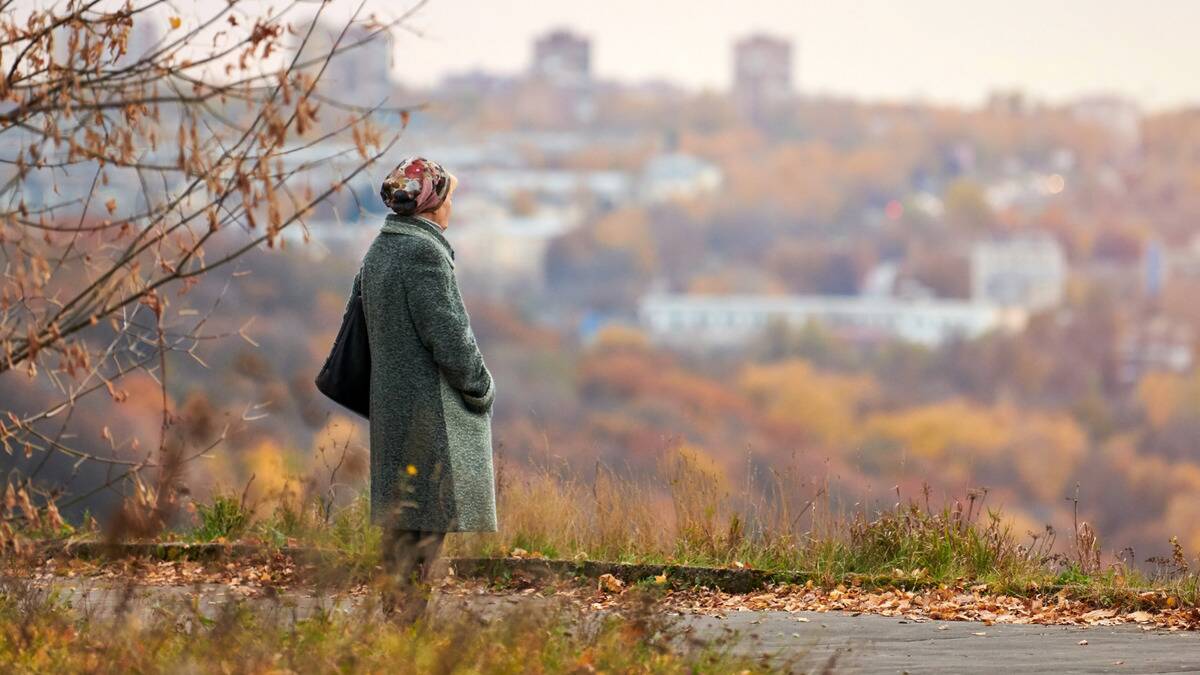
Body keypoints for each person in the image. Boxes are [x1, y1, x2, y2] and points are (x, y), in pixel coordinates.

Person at [353, 156, 497, 621]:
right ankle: (405, 628)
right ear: (433, 204)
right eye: (450, 196)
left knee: (405, 522)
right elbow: (450, 336)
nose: (452, 206)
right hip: (428, 411)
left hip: (394, 405)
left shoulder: (381, 249)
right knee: (425, 524)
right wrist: (481, 387)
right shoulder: (423, 253)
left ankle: (399, 625)